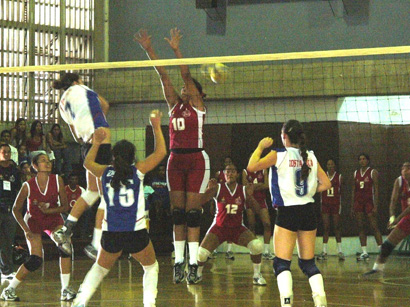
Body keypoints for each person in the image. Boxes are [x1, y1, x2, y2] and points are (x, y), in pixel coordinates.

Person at [136, 28, 210, 284]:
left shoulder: (198, 108)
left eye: (190, 88)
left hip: (197, 159)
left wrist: (177, 49)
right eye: (184, 88)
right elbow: (163, 74)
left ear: (199, 95)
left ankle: (193, 264)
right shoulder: (174, 105)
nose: (184, 89)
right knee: (177, 213)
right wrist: (149, 49)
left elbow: (186, 74)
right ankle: (179, 262)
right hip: (175, 160)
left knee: (192, 214)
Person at [72, 110, 166, 307]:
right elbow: (161, 153)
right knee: (151, 267)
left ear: (114, 156)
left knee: (99, 269)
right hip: (136, 232)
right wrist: (156, 126)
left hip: (111, 232)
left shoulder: (105, 172)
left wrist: (96, 142)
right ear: (133, 157)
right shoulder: (138, 171)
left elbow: (87, 163)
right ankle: (149, 305)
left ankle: (79, 303)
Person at [247, 120, 331, 307]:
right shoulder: (310, 156)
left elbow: (251, 167)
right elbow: (326, 184)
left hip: (287, 212)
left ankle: (286, 303)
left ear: (284, 136)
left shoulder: (279, 155)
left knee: (282, 264)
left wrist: (260, 147)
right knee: (308, 263)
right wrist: (308, 191)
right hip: (308, 211)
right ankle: (321, 301)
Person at [51, 72, 111, 257]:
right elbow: (105, 105)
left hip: (86, 145)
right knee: (106, 195)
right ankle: (95, 243)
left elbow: (73, 131)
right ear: (77, 81)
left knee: (92, 191)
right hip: (100, 139)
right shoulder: (82, 88)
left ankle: (66, 228)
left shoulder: (62, 104)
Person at [0, 153, 75, 302]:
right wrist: (26, 230)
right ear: (35, 166)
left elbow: (65, 206)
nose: (48, 163)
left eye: (49, 161)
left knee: (65, 246)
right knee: (36, 259)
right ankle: (9, 290)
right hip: (34, 221)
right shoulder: (28, 185)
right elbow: (15, 209)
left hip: (53, 219)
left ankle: (65, 290)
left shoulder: (57, 180)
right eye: (43, 161)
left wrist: (48, 211)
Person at [196, 164, 267, 286]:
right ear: (224, 174)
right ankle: (197, 275)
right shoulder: (217, 188)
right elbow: (201, 201)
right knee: (201, 254)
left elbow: (257, 209)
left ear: (237, 174)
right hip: (219, 228)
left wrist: (250, 195)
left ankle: (256, 276)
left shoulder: (243, 190)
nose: (230, 173)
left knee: (256, 246)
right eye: (227, 171)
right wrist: (208, 189)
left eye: (233, 171)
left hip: (237, 229)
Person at [362, 162, 410, 279]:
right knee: (387, 244)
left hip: (405, 216)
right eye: (403, 168)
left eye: (408, 168)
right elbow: (393, 200)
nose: (404, 170)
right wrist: (392, 216)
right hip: (407, 219)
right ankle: (377, 268)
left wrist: (398, 219)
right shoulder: (399, 181)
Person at [351, 153, 382, 261]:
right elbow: (354, 190)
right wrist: (352, 205)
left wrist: (376, 205)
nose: (362, 161)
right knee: (360, 226)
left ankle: (381, 251)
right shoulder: (356, 173)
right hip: (359, 202)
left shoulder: (373, 172)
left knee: (374, 226)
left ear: (368, 160)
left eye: (364, 159)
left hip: (369, 202)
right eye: (360, 159)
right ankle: (364, 252)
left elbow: (377, 190)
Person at [242, 167, 274, 260]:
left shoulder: (263, 170)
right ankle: (255, 250)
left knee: (267, 224)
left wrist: (253, 186)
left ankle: (266, 251)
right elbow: (245, 187)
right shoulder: (245, 171)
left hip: (261, 200)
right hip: (249, 201)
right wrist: (259, 185)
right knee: (251, 225)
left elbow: (267, 185)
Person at [0, 144, 21, 281]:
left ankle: (7, 270)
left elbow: (18, 189)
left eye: (8, 152)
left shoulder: (15, 171)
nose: (6, 154)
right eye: (3, 152)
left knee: (8, 240)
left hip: (10, 208)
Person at [317, 159, 345, 261]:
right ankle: (324, 251)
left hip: (335, 205)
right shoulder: (322, 176)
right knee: (326, 227)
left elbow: (341, 191)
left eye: (331, 164)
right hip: (325, 204)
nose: (330, 166)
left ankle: (340, 251)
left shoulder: (339, 177)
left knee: (337, 227)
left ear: (335, 166)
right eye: (328, 164)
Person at [214, 156, 235, 259]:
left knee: (230, 223)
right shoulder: (219, 174)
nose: (228, 163)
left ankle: (229, 250)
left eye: (229, 161)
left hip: (230, 199)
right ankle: (213, 249)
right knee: (218, 223)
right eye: (226, 162)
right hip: (220, 200)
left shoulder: (233, 174)